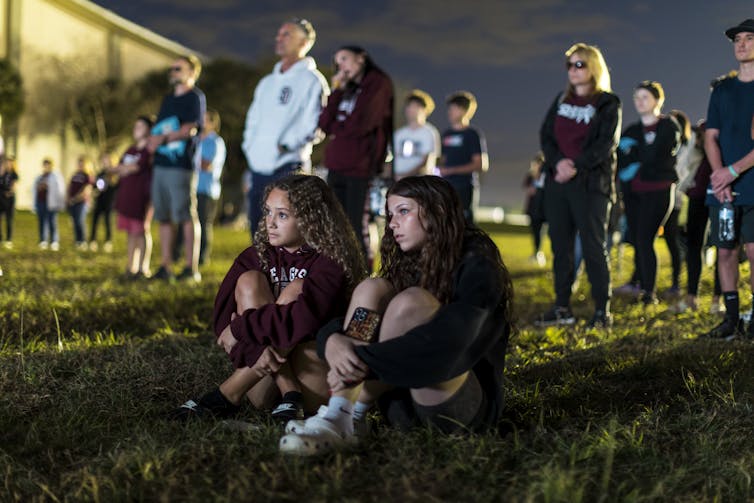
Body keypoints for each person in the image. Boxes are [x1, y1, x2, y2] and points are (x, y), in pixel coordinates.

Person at [278, 175, 513, 456]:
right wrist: (333, 340)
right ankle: (344, 415)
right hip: (400, 409)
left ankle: (343, 414)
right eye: (390, 215)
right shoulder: (411, 259)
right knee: (372, 288)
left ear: (436, 211)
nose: (392, 224)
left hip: (458, 410)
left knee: (410, 302)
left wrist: (361, 360)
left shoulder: (478, 262)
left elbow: (454, 340)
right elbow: (361, 321)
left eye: (403, 211)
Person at [170, 175, 367, 422]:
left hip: (316, 373)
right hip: (263, 380)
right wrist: (253, 347)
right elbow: (222, 319)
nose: (270, 223)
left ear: (311, 219)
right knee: (249, 281)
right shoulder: (256, 255)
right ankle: (289, 393)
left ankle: (228, 393)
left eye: (282, 215)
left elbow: (302, 321)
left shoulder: (330, 261)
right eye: (268, 212)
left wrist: (241, 328)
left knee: (297, 289)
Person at [536, 43, 621, 328]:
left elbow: (606, 144)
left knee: (594, 247)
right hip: (558, 183)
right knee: (560, 247)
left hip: (590, 184)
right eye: (570, 65)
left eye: (579, 64)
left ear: (593, 67)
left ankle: (602, 311)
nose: (573, 70)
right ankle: (562, 307)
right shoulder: (562, 99)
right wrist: (558, 162)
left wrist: (574, 166)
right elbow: (546, 135)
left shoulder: (608, 102)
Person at [242, 18, 328, 238]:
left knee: (288, 231)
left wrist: (285, 145)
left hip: (288, 165)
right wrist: (250, 148)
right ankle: (263, 273)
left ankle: (288, 273)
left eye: (286, 34)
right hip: (259, 166)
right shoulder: (267, 82)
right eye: (278, 34)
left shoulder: (312, 80)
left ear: (304, 42)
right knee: (258, 231)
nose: (279, 39)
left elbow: (316, 123)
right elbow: (252, 120)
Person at [702, 19, 754, 339]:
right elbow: (710, 137)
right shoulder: (723, 90)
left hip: (750, 183)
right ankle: (731, 318)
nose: (742, 43)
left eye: (750, 38)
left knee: (753, 250)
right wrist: (720, 176)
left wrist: (733, 170)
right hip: (723, 187)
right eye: (738, 39)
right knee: (724, 251)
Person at [319, 45, 394, 260]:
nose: (340, 65)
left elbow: (363, 123)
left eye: (344, 58)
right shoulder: (346, 89)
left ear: (361, 58)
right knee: (334, 224)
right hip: (336, 164)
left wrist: (337, 129)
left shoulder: (378, 83)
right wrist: (337, 91)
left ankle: (362, 276)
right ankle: (339, 273)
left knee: (355, 225)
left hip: (360, 167)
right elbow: (324, 123)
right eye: (337, 61)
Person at [617, 81, 681, 305]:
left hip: (659, 191)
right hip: (634, 194)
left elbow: (658, 155)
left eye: (645, 97)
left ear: (657, 100)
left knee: (645, 238)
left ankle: (648, 293)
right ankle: (641, 286)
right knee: (637, 239)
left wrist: (636, 153)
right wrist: (635, 156)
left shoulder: (669, 126)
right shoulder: (632, 130)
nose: (639, 101)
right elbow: (621, 158)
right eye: (636, 97)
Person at [147, 54, 205, 283]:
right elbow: (160, 127)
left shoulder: (195, 97)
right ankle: (165, 266)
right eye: (172, 69)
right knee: (163, 216)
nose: (173, 72)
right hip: (161, 164)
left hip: (180, 166)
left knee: (185, 215)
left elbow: (190, 128)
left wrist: (161, 139)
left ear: (192, 72)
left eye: (178, 69)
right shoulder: (167, 99)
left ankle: (191, 268)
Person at [174, 108, 226, 265]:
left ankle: (202, 257)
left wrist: (190, 161)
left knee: (203, 224)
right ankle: (177, 254)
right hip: (191, 187)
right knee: (184, 221)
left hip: (206, 190)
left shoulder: (215, 142)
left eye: (205, 119)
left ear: (212, 123)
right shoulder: (196, 139)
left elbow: (207, 165)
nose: (201, 122)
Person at [437, 91, 489, 223]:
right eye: (449, 109)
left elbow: (480, 164)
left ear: (464, 111)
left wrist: (452, 170)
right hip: (446, 187)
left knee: (465, 225)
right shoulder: (446, 134)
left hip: (464, 187)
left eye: (453, 109)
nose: (449, 112)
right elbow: (441, 159)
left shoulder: (472, 134)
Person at [113, 116, 154, 279]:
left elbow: (137, 166)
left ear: (149, 130)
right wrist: (124, 168)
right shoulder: (130, 150)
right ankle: (131, 266)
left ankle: (143, 268)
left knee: (142, 231)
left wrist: (126, 168)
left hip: (141, 197)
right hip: (126, 196)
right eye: (135, 126)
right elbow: (120, 168)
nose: (136, 129)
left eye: (141, 126)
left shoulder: (149, 151)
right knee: (130, 233)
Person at [392, 89, 441, 180]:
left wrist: (407, 176)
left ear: (424, 110)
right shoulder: (399, 134)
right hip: (397, 180)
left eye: (415, 106)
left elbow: (427, 160)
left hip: (419, 181)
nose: (411, 109)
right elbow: (393, 158)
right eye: (409, 106)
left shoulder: (429, 132)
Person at [32, 158, 65, 251]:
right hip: (41, 202)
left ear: (51, 165)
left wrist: (60, 203)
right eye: (44, 165)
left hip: (51, 203)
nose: (46, 167)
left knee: (52, 222)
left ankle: (54, 241)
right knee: (42, 222)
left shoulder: (55, 176)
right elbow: (35, 188)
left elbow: (60, 190)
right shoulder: (40, 177)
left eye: (48, 165)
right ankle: (43, 240)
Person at [88, 152, 119, 253]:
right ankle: (92, 240)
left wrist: (110, 184)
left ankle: (108, 241)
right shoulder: (100, 173)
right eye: (103, 160)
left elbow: (117, 188)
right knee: (95, 220)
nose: (104, 162)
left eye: (106, 160)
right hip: (99, 200)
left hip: (109, 201)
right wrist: (95, 185)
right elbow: (95, 186)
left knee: (107, 221)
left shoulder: (114, 174)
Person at [66, 155, 94, 250]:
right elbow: (70, 186)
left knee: (80, 221)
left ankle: (83, 241)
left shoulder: (88, 176)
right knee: (75, 222)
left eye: (82, 164)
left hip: (82, 202)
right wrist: (69, 198)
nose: (80, 165)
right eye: (79, 163)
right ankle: (77, 241)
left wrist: (76, 198)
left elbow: (87, 189)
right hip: (73, 202)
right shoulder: (75, 174)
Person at [523, 151, 546, 266]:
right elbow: (526, 186)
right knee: (535, 231)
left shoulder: (545, 176)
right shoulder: (530, 176)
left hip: (543, 208)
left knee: (542, 231)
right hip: (533, 208)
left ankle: (539, 252)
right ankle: (536, 252)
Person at [0, 156, 19, 248]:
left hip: (9, 200)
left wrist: (9, 192)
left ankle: (8, 239)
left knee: (9, 220)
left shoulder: (14, 174)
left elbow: (14, 186)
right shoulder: (3, 174)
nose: (8, 164)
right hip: (1, 199)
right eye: (7, 162)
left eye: (10, 163)